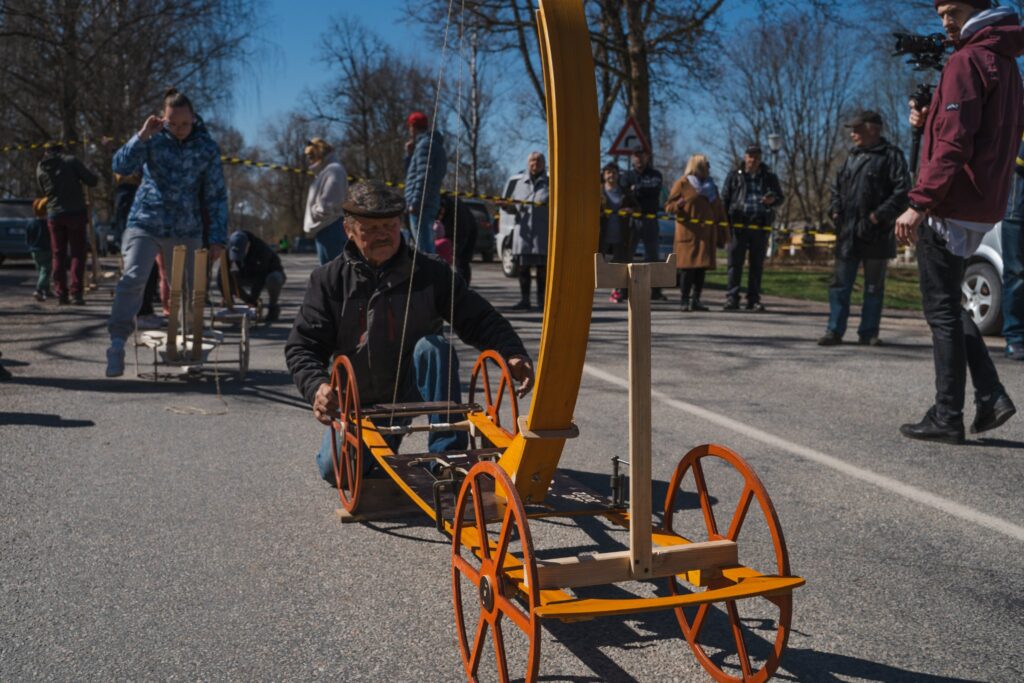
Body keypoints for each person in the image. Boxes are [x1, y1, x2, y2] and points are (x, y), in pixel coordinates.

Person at [284, 181, 535, 484]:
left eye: (390, 225)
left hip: (413, 389)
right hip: (360, 402)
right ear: (348, 229)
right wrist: (317, 387)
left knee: (434, 347)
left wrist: (512, 353)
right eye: (371, 228)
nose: (383, 235)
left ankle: (447, 458)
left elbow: (479, 317)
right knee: (337, 472)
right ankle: (381, 445)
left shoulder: (430, 271)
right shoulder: (328, 280)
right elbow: (303, 346)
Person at [894, 0, 1023, 444]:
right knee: (952, 303)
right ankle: (990, 396)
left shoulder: (968, 59)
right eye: (940, 13)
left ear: (979, 7)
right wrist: (928, 119)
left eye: (953, 10)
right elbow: (976, 132)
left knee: (942, 310)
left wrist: (919, 201)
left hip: (949, 203)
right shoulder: (1005, 61)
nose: (945, 21)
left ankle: (948, 414)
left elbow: (953, 144)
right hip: (980, 202)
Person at [105, 88, 228, 378]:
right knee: (133, 278)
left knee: (188, 289)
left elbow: (216, 195)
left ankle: (189, 348)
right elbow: (120, 165)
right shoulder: (153, 139)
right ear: (164, 117)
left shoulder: (206, 147)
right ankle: (117, 343)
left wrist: (218, 238)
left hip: (186, 227)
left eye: (184, 124)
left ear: (194, 118)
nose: (179, 130)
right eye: (173, 124)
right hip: (146, 220)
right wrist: (141, 136)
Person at [819, 111, 911, 347]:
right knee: (839, 286)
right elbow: (836, 188)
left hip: (876, 234)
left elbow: (902, 193)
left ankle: (868, 332)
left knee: (873, 287)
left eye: (857, 129)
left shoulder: (891, 156)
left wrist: (876, 217)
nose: (853, 134)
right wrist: (835, 209)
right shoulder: (851, 157)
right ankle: (834, 331)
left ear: (874, 129)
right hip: (848, 233)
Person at [721, 144, 784, 311]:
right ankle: (732, 298)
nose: (753, 159)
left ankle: (753, 299)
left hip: (760, 224)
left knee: (757, 265)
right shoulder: (734, 176)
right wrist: (725, 225)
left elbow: (780, 198)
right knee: (735, 263)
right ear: (745, 157)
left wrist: (773, 200)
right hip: (739, 224)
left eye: (756, 156)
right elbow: (725, 200)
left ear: (760, 158)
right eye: (750, 156)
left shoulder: (769, 177)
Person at [35, 142, 99, 306]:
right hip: (75, 213)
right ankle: (76, 293)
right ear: (61, 150)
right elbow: (91, 181)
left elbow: (43, 189)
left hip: (54, 214)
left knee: (58, 255)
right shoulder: (71, 161)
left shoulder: (41, 167)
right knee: (77, 253)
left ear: (46, 152)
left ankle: (61, 294)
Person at [666, 154, 729, 312]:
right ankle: (684, 300)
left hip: (706, 234)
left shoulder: (712, 187)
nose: (709, 168)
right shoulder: (682, 183)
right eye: (706, 165)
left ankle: (696, 300)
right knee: (687, 269)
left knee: (701, 268)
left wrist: (723, 231)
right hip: (689, 234)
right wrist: (678, 206)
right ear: (698, 166)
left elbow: (719, 209)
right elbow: (668, 207)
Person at [506, 152, 550, 311]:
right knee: (523, 268)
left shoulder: (550, 183)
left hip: (542, 234)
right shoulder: (519, 183)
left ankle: (542, 302)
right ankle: (525, 300)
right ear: (528, 163)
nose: (535, 163)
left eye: (539, 160)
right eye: (532, 160)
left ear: (544, 164)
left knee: (542, 270)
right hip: (523, 234)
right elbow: (513, 208)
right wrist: (505, 205)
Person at [620, 150, 666, 300]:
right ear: (632, 158)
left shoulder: (655, 174)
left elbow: (655, 189)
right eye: (636, 156)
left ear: (647, 157)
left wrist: (636, 188)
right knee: (627, 255)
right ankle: (624, 289)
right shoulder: (627, 175)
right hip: (631, 220)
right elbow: (624, 190)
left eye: (642, 155)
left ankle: (656, 290)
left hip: (649, 219)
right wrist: (636, 190)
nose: (639, 159)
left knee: (653, 255)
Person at [404, 111, 448, 254]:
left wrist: (415, 202)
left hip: (421, 204)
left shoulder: (425, 146)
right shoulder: (432, 146)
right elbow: (416, 172)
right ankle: (430, 275)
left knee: (424, 250)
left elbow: (424, 177)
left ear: (413, 127)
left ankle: (430, 276)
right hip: (429, 202)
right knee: (426, 246)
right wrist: (409, 155)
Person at [222, 230, 286, 322]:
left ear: (248, 245)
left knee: (274, 278)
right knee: (229, 278)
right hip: (247, 275)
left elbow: (261, 276)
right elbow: (222, 276)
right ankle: (246, 302)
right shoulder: (228, 249)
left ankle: (273, 307)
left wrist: (253, 300)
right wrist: (227, 297)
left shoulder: (262, 250)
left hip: (267, 275)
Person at [303, 137, 348, 265]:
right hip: (326, 228)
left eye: (311, 155)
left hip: (330, 228)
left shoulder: (334, 170)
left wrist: (314, 213)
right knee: (330, 275)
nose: (309, 160)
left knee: (333, 275)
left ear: (319, 153)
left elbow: (329, 204)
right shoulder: (327, 171)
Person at [1001, 134, 1024, 360]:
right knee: (1016, 275)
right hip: (1015, 212)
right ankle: (1015, 337)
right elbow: (1016, 159)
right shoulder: (1016, 117)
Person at [601, 162, 638, 303]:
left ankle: (616, 291)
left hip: (620, 234)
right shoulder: (598, 191)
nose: (611, 175)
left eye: (614, 172)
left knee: (619, 264)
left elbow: (637, 207)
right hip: (601, 234)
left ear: (618, 175)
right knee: (599, 263)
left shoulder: (624, 192)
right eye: (608, 172)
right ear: (604, 175)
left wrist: (630, 210)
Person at [440, 193, 478, 285]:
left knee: (461, 261)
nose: (439, 216)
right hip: (457, 230)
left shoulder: (456, 211)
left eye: (441, 213)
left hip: (468, 230)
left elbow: (461, 234)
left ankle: (463, 287)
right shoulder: (441, 206)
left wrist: (455, 251)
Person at [27, 198, 52, 301]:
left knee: (41, 270)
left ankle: (47, 291)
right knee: (46, 270)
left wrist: (30, 247)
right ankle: (39, 289)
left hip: (34, 250)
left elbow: (28, 237)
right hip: (45, 250)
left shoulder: (31, 223)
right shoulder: (47, 224)